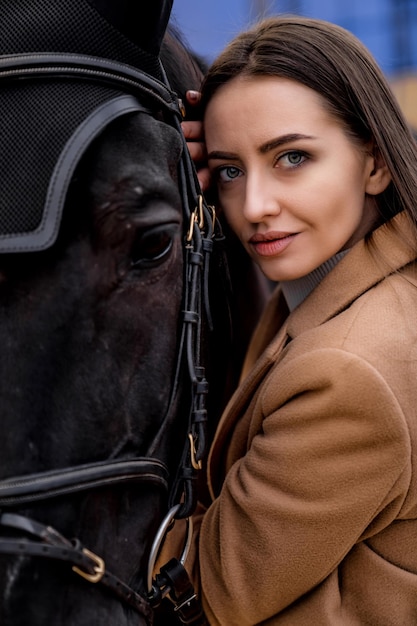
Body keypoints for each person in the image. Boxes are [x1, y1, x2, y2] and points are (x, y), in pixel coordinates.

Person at [177, 15, 417, 625]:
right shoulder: (359, 292)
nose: (254, 206)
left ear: (375, 163)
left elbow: (216, 590)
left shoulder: (346, 373)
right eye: (230, 170)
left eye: (291, 157)